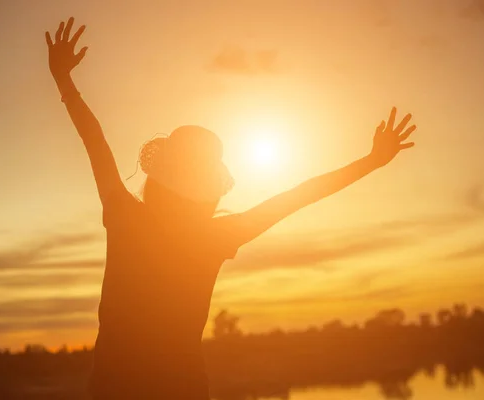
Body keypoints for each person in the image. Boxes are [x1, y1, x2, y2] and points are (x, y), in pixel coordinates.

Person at [45, 17, 417, 400]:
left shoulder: (126, 217)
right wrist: (371, 161)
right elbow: (300, 195)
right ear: (208, 189)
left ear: (158, 178)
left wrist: (63, 80)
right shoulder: (212, 236)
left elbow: (95, 141)